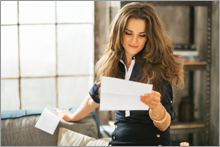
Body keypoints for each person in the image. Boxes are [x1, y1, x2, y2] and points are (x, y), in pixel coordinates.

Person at [56, 2, 184, 146]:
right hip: (119, 142)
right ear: (118, 32)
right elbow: (94, 97)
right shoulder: (111, 64)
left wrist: (156, 108)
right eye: (128, 33)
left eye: (142, 35)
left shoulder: (158, 68)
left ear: (149, 37)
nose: (134, 41)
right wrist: (73, 116)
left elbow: (164, 125)